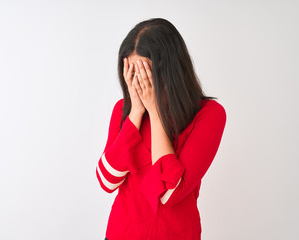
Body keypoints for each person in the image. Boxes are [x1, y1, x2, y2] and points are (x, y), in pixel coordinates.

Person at [95, 18, 226, 240]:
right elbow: (107, 180)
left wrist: (155, 113)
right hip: (121, 233)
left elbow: (170, 193)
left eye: (145, 73)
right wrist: (136, 111)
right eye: (132, 72)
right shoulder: (124, 110)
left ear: (170, 71)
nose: (139, 82)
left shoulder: (210, 114)